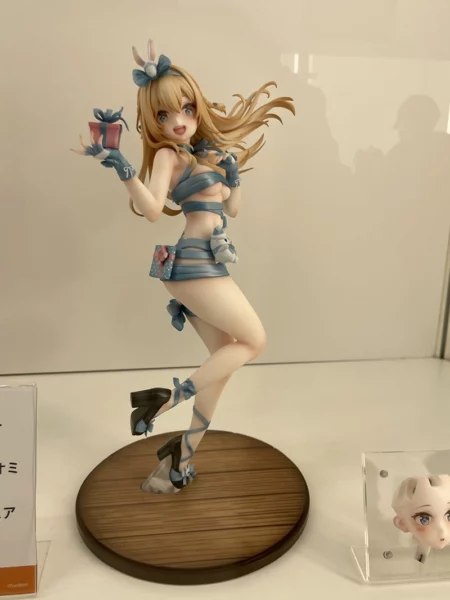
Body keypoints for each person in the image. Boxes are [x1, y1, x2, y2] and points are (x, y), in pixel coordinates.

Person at [73, 38, 295, 492]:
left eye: (187, 109)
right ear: (152, 122)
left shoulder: (205, 153)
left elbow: (232, 210)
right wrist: (121, 166)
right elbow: (153, 209)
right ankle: (162, 402)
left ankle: (182, 457)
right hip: (193, 264)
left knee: (223, 359)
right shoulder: (169, 157)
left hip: (209, 261)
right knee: (254, 340)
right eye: (164, 115)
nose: (178, 121)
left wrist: (234, 178)